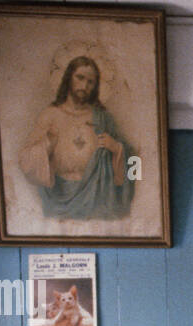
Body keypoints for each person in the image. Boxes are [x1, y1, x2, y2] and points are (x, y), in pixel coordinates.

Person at [17, 56, 134, 220]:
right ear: (68, 78)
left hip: (96, 198)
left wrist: (117, 148)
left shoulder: (103, 118)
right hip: (58, 196)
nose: (84, 86)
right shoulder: (50, 115)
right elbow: (25, 160)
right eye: (80, 78)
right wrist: (46, 144)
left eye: (91, 81)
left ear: (96, 86)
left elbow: (135, 160)